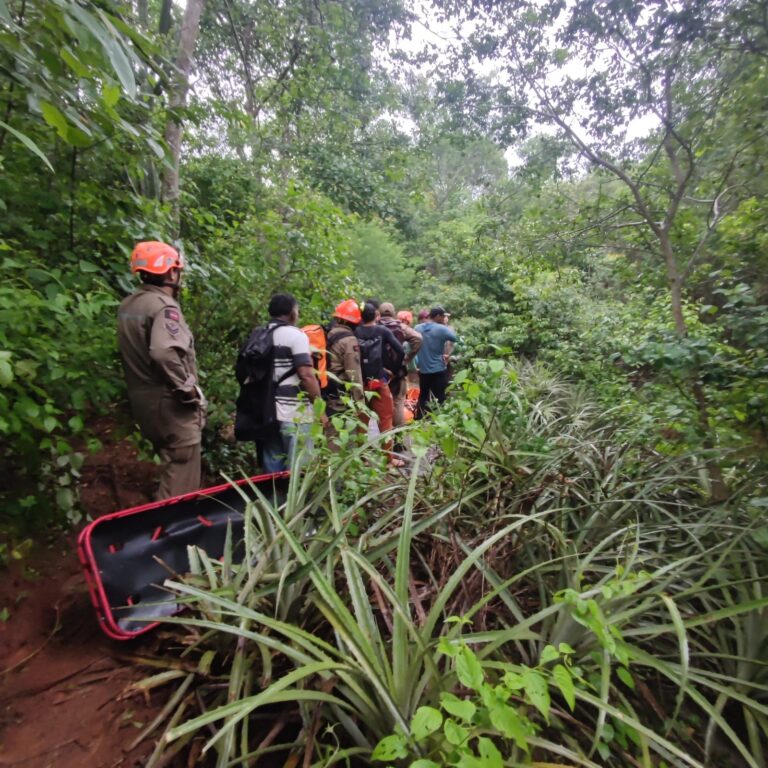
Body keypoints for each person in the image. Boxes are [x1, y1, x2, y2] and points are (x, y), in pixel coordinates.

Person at [117, 241, 206, 500]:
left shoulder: (130, 305)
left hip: (144, 404)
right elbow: (163, 351)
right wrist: (188, 389)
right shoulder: (164, 307)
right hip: (171, 406)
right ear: (171, 273)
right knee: (182, 481)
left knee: (169, 466)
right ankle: (171, 534)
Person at [259, 293, 328, 472]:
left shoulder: (260, 334)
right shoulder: (296, 336)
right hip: (294, 413)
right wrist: (319, 409)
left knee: (272, 470)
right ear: (292, 313)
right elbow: (306, 374)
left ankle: (273, 500)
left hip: (266, 411)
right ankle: (297, 500)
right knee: (299, 469)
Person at [355, 302, 404, 451]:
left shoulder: (355, 331)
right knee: (385, 420)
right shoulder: (382, 331)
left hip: (360, 381)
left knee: (361, 420)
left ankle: (361, 458)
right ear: (376, 316)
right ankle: (387, 459)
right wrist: (393, 371)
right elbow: (400, 351)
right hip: (379, 380)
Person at [378, 303, 422, 427]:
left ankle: (379, 437)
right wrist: (406, 359)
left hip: (378, 372)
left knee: (377, 403)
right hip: (397, 371)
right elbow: (418, 339)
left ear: (379, 313)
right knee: (398, 402)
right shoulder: (401, 327)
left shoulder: (374, 326)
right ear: (393, 313)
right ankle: (398, 438)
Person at [414, 306, 457, 419]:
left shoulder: (417, 328)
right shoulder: (442, 329)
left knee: (423, 395)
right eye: (443, 316)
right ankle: (439, 420)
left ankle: (420, 418)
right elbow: (455, 338)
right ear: (438, 316)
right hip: (439, 369)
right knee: (440, 396)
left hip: (423, 370)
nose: (444, 318)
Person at [326, 299, 364, 415]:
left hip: (325, 394)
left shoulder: (328, 334)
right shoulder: (349, 341)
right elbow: (353, 373)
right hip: (340, 398)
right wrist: (360, 403)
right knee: (341, 431)